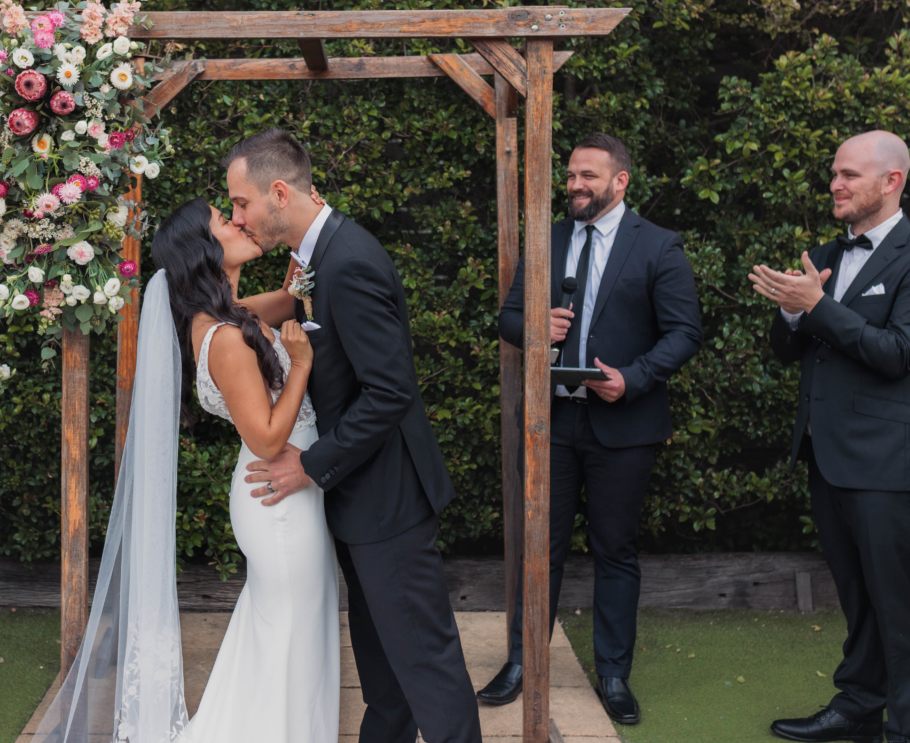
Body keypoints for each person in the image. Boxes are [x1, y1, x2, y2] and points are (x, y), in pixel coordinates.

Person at [33, 197, 336, 743]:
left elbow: (290, 299)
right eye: (225, 219)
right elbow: (267, 438)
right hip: (277, 498)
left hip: (289, 493)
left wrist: (301, 224)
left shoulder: (234, 314)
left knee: (287, 632)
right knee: (290, 633)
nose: (238, 220)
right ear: (205, 248)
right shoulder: (225, 337)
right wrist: (302, 367)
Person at [230, 129, 481, 743]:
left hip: (387, 500)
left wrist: (310, 464)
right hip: (359, 498)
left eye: (241, 203)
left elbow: (390, 392)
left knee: (424, 663)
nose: (238, 217)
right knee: (385, 677)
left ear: (279, 193)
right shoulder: (316, 257)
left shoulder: (350, 261)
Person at [482, 133, 702, 725]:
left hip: (623, 425)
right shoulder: (548, 238)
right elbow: (507, 317)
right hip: (551, 422)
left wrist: (633, 379)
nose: (575, 185)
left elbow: (685, 332)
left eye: (589, 176)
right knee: (539, 548)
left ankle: (613, 675)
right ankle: (523, 662)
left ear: (620, 181)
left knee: (615, 551)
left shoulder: (657, 245)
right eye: (571, 175)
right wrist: (534, 325)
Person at [751, 130, 910, 743]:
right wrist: (792, 311)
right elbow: (790, 351)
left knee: (898, 604)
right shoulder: (823, 253)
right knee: (858, 595)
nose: (835, 185)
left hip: (886, 463)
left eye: (849, 175)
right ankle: (860, 705)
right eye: (834, 173)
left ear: (891, 181)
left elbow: (896, 354)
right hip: (826, 456)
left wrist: (817, 305)